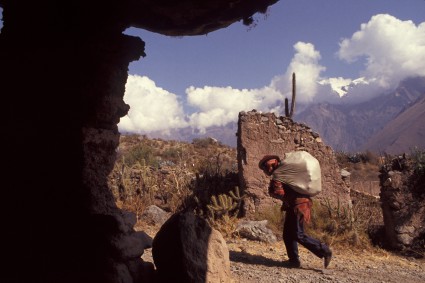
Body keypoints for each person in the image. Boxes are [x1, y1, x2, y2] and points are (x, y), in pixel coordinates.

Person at [258, 155, 332, 269]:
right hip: (294, 206)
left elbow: (279, 193)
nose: (266, 170)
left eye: (265, 167)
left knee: (298, 234)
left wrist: (272, 190)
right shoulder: (286, 173)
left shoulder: (279, 175)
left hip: (299, 206)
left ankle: (324, 250)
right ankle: (294, 261)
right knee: (287, 234)